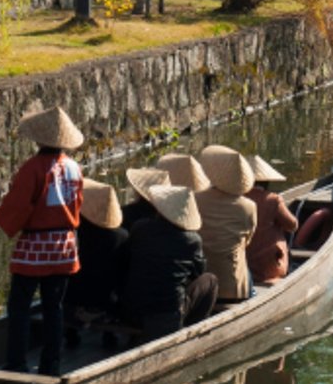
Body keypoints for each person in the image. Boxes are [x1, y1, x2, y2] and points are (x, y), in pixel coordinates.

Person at [0, 106, 84, 375]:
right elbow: (77, 205)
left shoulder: (32, 168)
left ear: (39, 139)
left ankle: (17, 363)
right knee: (54, 308)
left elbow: (17, 205)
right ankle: (52, 364)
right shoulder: (74, 168)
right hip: (64, 246)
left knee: (20, 307)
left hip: (35, 246)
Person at [119, 171, 216, 341]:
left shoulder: (140, 227)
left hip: (130, 310)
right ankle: (195, 328)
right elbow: (199, 272)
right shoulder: (192, 240)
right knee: (210, 280)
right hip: (167, 316)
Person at [66, 179, 128, 349]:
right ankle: (110, 334)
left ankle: (70, 333)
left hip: (74, 300)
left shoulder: (75, 235)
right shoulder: (122, 236)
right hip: (107, 303)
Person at [195, 146, 259, 301]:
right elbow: (247, 241)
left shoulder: (195, 199)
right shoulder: (248, 206)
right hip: (233, 289)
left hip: (201, 285)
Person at [244, 155, 299, 285]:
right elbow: (292, 225)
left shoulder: (237, 198)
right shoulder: (272, 200)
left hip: (243, 265)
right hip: (268, 268)